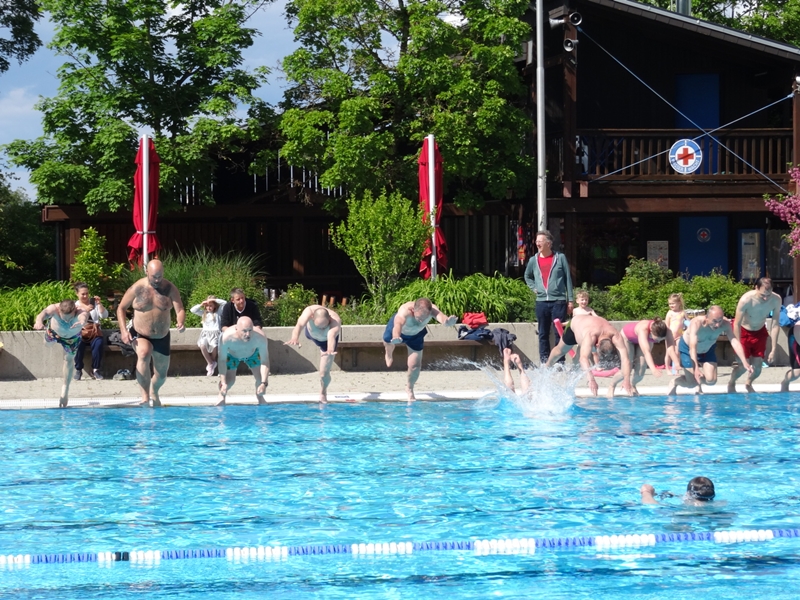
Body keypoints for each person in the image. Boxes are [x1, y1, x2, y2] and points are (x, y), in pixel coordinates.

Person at [117, 260, 186, 407]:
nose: (157, 280)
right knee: (144, 353)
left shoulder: (169, 288)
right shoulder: (137, 288)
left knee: (161, 374)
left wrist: (181, 321)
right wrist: (123, 330)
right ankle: (145, 397)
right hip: (140, 333)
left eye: (160, 276)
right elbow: (121, 308)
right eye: (154, 276)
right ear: (146, 272)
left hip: (162, 336)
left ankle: (154, 391)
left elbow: (180, 309)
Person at [383, 297, 458, 401]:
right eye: (419, 319)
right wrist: (396, 336)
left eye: (424, 318)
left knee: (415, 366)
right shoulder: (405, 310)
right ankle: (389, 353)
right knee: (389, 343)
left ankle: (409, 388)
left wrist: (447, 322)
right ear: (413, 310)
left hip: (416, 335)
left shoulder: (432, 310)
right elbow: (397, 324)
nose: (421, 321)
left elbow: (442, 318)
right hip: (399, 332)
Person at [666, 305, 752, 395]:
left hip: (707, 350)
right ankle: (675, 382)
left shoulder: (725, 324)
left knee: (711, 381)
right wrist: (696, 369)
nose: (717, 325)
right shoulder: (697, 323)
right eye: (714, 321)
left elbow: (734, 341)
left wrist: (744, 361)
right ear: (707, 318)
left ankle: (697, 382)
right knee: (691, 383)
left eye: (720, 321)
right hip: (688, 349)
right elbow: (693, 347)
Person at [546, 314, 634, 397]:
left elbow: (625, 359)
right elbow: (583, 359)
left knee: (578, 363)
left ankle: (568, 386)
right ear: (597, 345)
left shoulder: (616, 336)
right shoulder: (591, 336)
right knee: (560, 351)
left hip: (588, 328)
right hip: (575, 325)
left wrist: (627, 379)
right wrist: (591, 380)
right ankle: (547, 365)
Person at [524, 230, 574, 364]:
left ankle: (559, 362)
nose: (537, 243)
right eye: (537, 241)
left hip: (558, 301)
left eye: (540, 241)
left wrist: (570, 300)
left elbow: (568, 279)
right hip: (541, 302)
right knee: (543, 333)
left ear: (549, 243)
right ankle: (544, 362)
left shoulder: (560, 257)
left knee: (559, 332)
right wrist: (534, 287)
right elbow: (527, 276)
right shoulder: (533, 260)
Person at [727, 277, 782, 393]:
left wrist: (773, 349)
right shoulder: (746, 300)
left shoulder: (776, 300)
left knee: (757, 369)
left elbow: (775, 324)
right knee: (742, 367)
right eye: (762, 295)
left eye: (769, 294)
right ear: (756, 288)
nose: (766, 298)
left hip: (760, 332)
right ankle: (731, 382)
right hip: (743, 332)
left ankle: (748, 383)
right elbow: (736, 323)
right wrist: (738, 346)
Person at [33, 299, 88, 408]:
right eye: (64, 317)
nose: (67, 320)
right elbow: (42, 313)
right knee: (47, 344)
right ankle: (49, 340)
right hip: (53, 333)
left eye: (70, 317)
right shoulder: (54, 308)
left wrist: (82, 322)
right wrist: (39, 321)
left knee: (68, 359)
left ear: (75, 310)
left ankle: (65, 390)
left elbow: (84, 317)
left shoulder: (81, 311)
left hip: (71, 339)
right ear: (59, 310)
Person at [285, 304, 342, 403]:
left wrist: (329, 350)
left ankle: (323, 392)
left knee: (323, 374)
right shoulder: (308, 312)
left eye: (324, 327)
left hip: (326, 343)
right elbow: (299, 325)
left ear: (329, 319)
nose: (322, 329)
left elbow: (331, 335)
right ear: (312, 317)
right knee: (305, 328)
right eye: (319, 327)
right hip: (310, 335)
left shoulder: (335, 321)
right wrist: (294, 338)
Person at [608, 318, 675, 395]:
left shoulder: (667, 331)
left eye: (661, 339)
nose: (659, 341)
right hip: (627, 338)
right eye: (656, 339)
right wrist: (653, 369)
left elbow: (671, 348)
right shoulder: (643, 329)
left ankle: (632, 385)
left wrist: (676, 363)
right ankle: (612, 386)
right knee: (626, 370)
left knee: (641, 370)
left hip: (644, 339)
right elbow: (646, 352)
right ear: (651, 331)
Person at [216, 316, 270, 406]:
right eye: (244, 331)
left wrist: (264, 383)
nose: (248, 334)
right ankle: (221, 394)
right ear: (237, 329)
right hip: (232, 355)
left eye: (250, 330)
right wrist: (223, 382)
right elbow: (221, 360)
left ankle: (259, 395)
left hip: (251, 354)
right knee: (230, 381)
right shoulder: (226, 337)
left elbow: (265, 361)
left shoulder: (260, 337)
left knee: (261, 379)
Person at [73, 281, 108, 381]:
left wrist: (99, 304)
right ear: (77, 294)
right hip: (80, 331)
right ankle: (78, 369)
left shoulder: (94, 303)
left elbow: (104, 316)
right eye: (82, 294)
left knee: (98, 343)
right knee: (78, 344)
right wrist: (85, 309)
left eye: (87, 293)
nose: (85, 296)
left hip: (94, 331)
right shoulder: (75, 305)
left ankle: (96, 369)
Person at [190, 295, 226, 376]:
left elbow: (224, 303)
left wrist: (214, 299)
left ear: (215, 306)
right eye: (207, 306)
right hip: (206, 334)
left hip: (215, 333)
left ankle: (213, 363)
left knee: (214, 346)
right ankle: (210, 363)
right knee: (202, 345)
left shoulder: (218, 313)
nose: (208, 307)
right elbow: (192, 310)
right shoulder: (204, 313)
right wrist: (201, 304)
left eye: (211, 306)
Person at [640, 477, 716, 505]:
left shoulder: (687, 507)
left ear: (688, 493)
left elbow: (651, 505)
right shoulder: (720, 504)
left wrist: (646, 492)